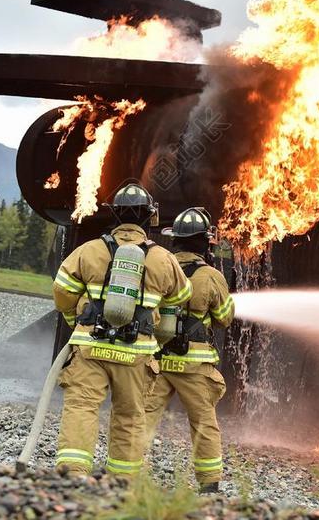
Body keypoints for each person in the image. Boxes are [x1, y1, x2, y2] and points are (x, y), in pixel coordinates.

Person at [52, 183, 192, 477]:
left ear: (113, 215)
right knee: (130, 415)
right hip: (136, 353)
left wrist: (73, 320)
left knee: (82, 406)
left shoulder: (89, 251)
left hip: (90, 346)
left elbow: (62, 290)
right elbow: (182, 296)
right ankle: (122, 482)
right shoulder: (163, 259)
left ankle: (72, 474)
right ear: (149, 218)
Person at [144, 207, 234, 493]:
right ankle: (209, 484)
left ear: (176, 240)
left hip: (157, 358)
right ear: (204, 243)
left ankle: (124, 468)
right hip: (193, 365)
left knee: (141, 414)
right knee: (204, 422)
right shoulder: (211, 276)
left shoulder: (159, 265)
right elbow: (223, 318)